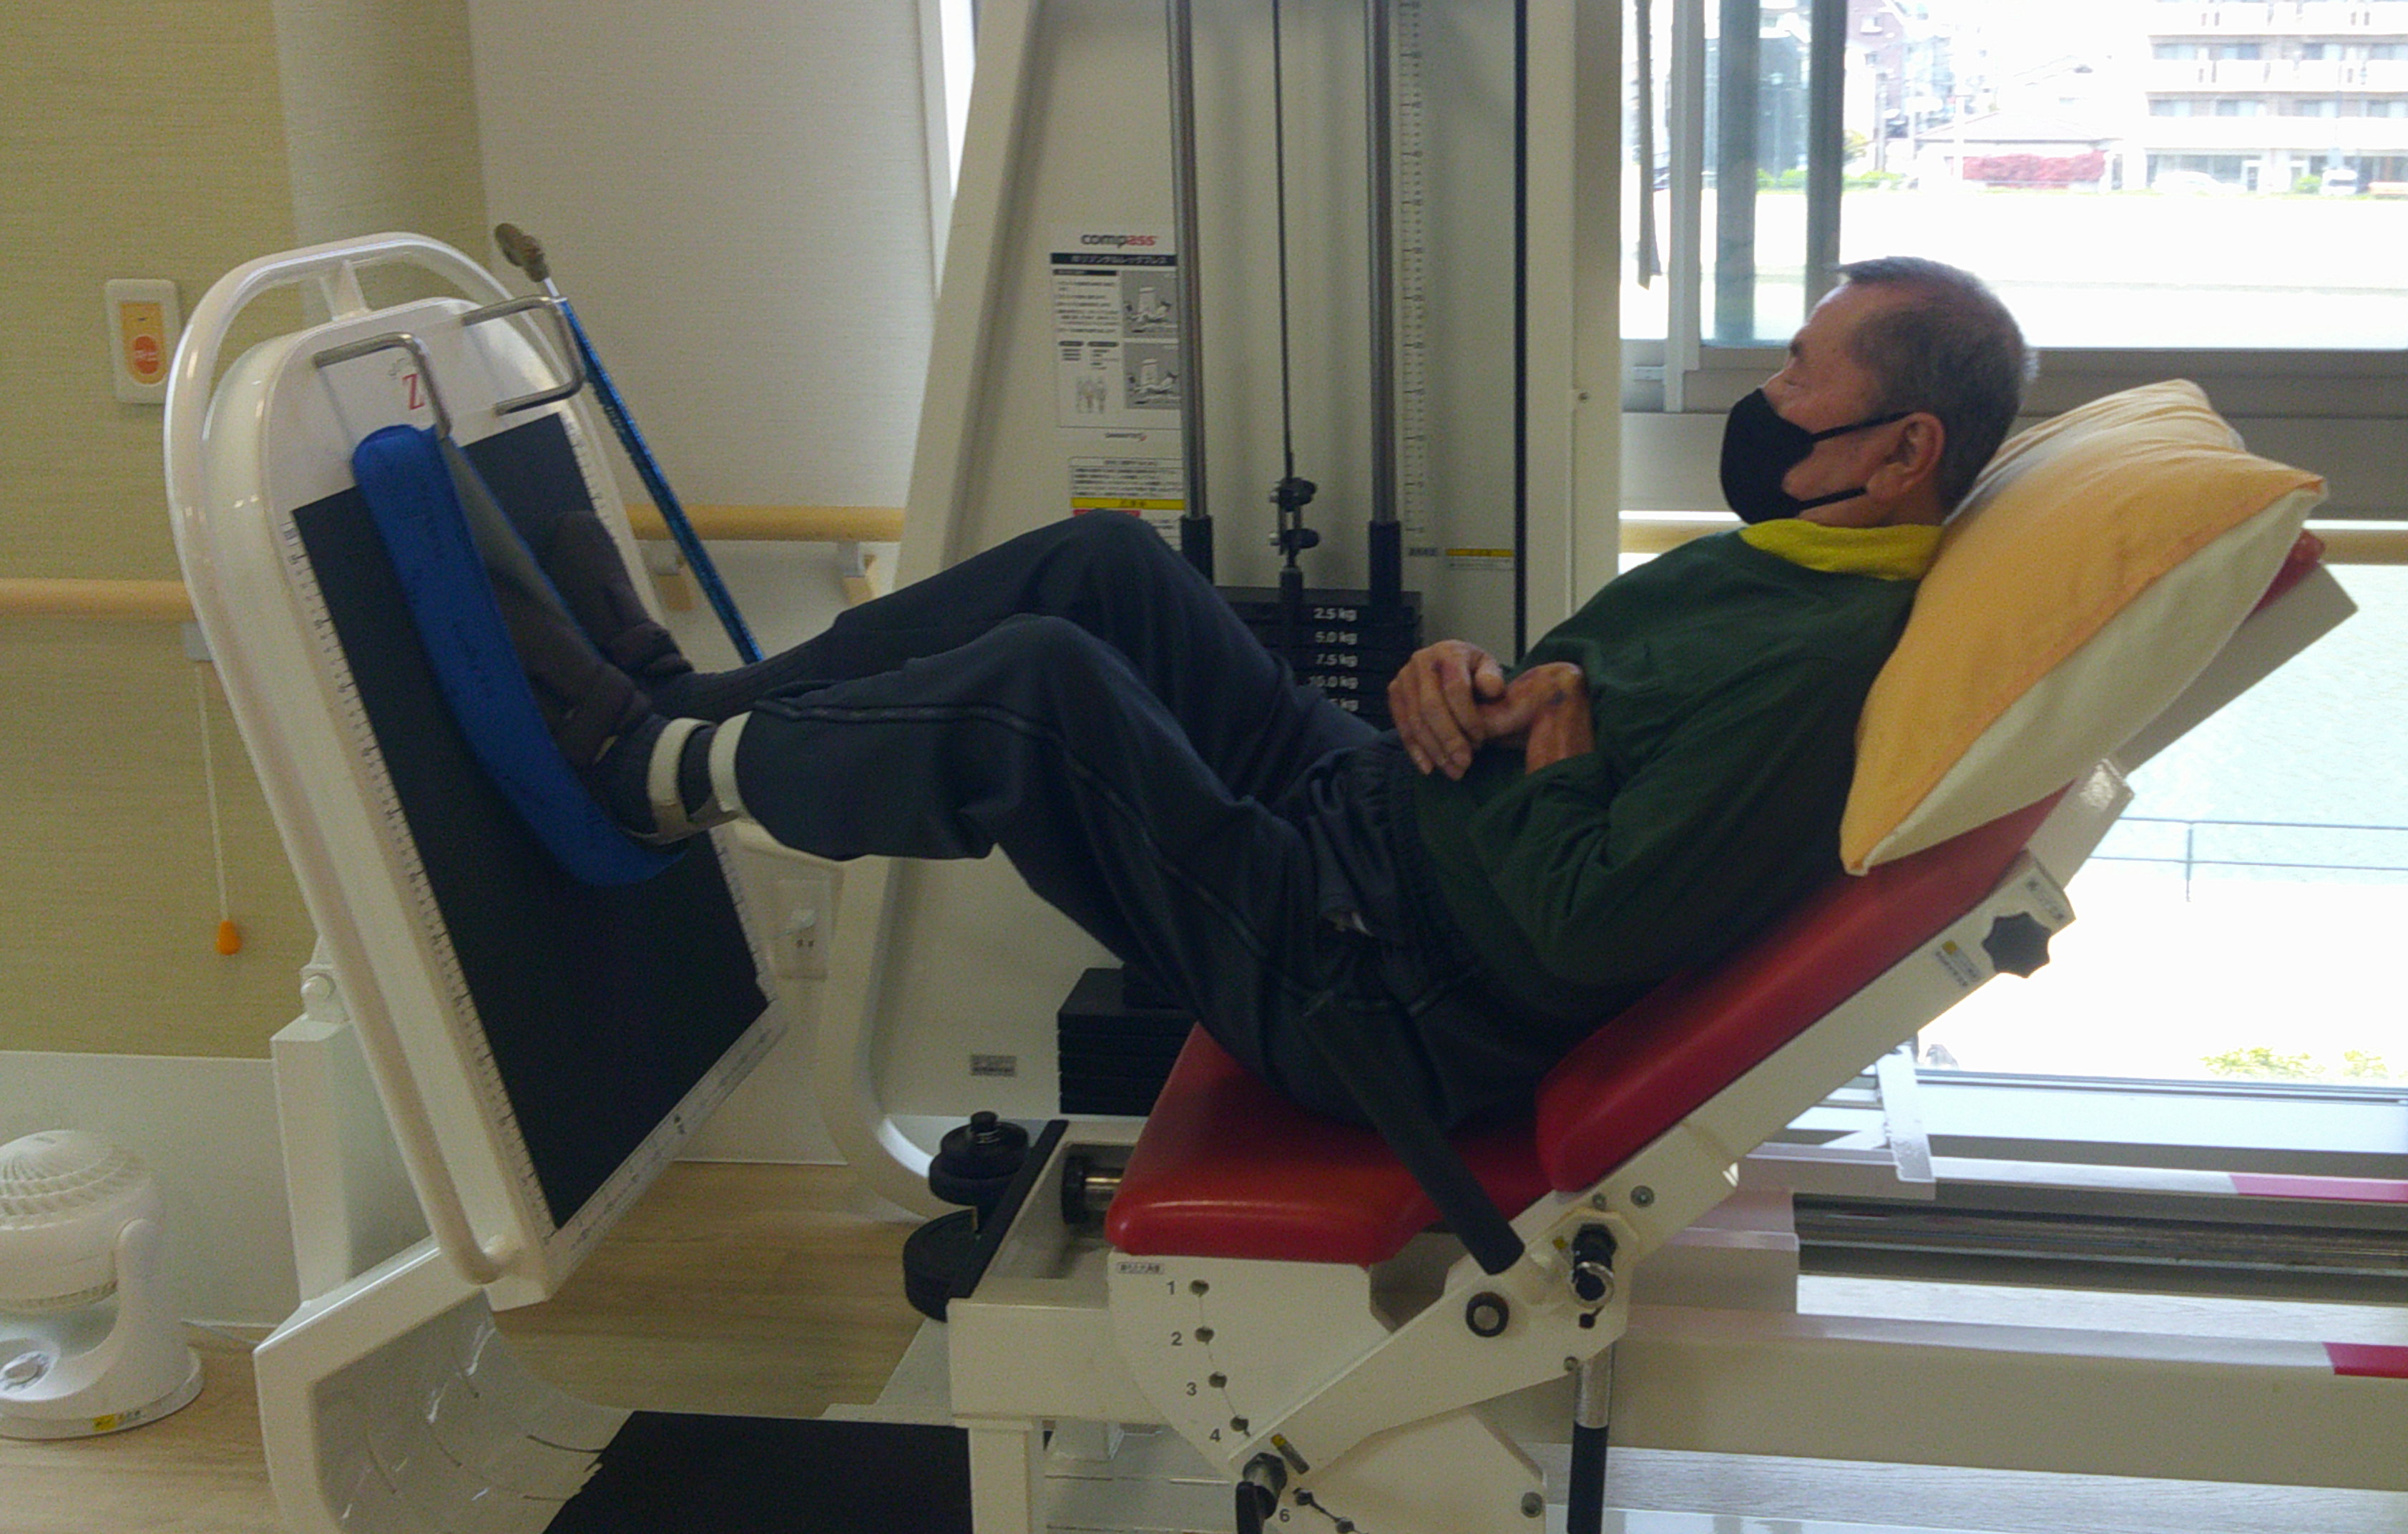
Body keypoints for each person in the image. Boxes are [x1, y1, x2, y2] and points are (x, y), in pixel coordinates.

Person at [519, 256, 2030, 1129]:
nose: (1767, 398)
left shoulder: (1820, 664)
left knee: (1041, 691)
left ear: (1904, 450)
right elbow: (1575, 707)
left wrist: (1559, 752)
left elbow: (1591, 928)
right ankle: (707, 707)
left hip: (1377, 985)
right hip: (1367, 812)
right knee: (1106, 570)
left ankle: (655, 780)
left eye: (1802, 375)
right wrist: (1467, 679)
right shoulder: (1780, 567)